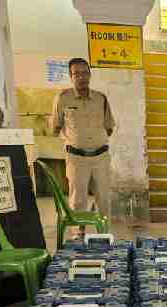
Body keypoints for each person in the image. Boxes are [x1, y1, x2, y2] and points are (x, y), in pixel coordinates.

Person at [51, 58, 115, 224]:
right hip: (76, 159)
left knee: (104, 201)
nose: (81, 77)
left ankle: (104, 236)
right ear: (71, 76)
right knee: (78, 202)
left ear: (90, 75)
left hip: (101, 158)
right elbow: (55, 127)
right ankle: (77, 239)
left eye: (85, 73)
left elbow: (109, 126)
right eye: (77, 73)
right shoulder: (63, 99)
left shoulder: (101, 99)